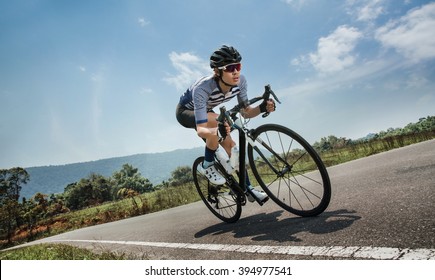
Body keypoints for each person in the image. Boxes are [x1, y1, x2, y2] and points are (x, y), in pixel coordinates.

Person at [175, 45, 275, 203]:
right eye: (230, 68)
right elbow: (201, 129)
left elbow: (246, 111)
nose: (236, 71)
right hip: (186, 112)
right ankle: (207, 165)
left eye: (238, 66)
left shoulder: (240, 82)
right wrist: (218, 125)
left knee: (231, 145)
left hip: (208, 110)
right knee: (218, 124)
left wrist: (262, 107)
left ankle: (247, 188)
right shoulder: (203, 88)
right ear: (217, 71)